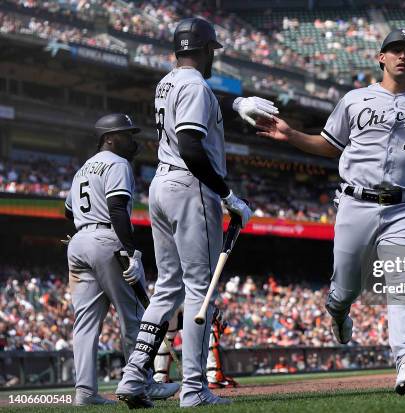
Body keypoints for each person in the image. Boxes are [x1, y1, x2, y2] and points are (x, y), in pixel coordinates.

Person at [256, 28, 405, 395]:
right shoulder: (354, 99)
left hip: (402, 210)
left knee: (403, 287)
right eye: (395, 50)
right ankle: (337, 310)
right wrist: (291, 135)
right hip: (355, 204)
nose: (403, 56)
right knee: (347, 288)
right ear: (381, 57)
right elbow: (329, 145)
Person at [116, 18, 276, 408]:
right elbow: (191, 145)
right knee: (199, 289)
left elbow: (197, 100)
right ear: (205, 50)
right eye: (212, 52)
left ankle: (133, 376)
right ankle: (193, 388)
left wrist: (235, 103)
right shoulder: (194, 84)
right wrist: (228, 194)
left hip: (161, 185)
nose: (213, 59)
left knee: (168, 286)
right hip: (190, 187)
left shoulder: (167, 81)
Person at [65, 114, 179, 405]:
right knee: (135, 317)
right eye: (126, 134)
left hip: (79, 242)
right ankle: (140, 383)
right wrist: (130, 252)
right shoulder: (118, 163)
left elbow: (69, 211)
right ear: (109, 139)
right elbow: (117, 209)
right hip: (107, 241)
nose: (133, 140)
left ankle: (85, 393)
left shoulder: (82, 169)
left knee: (85, 324)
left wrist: (85, 227)